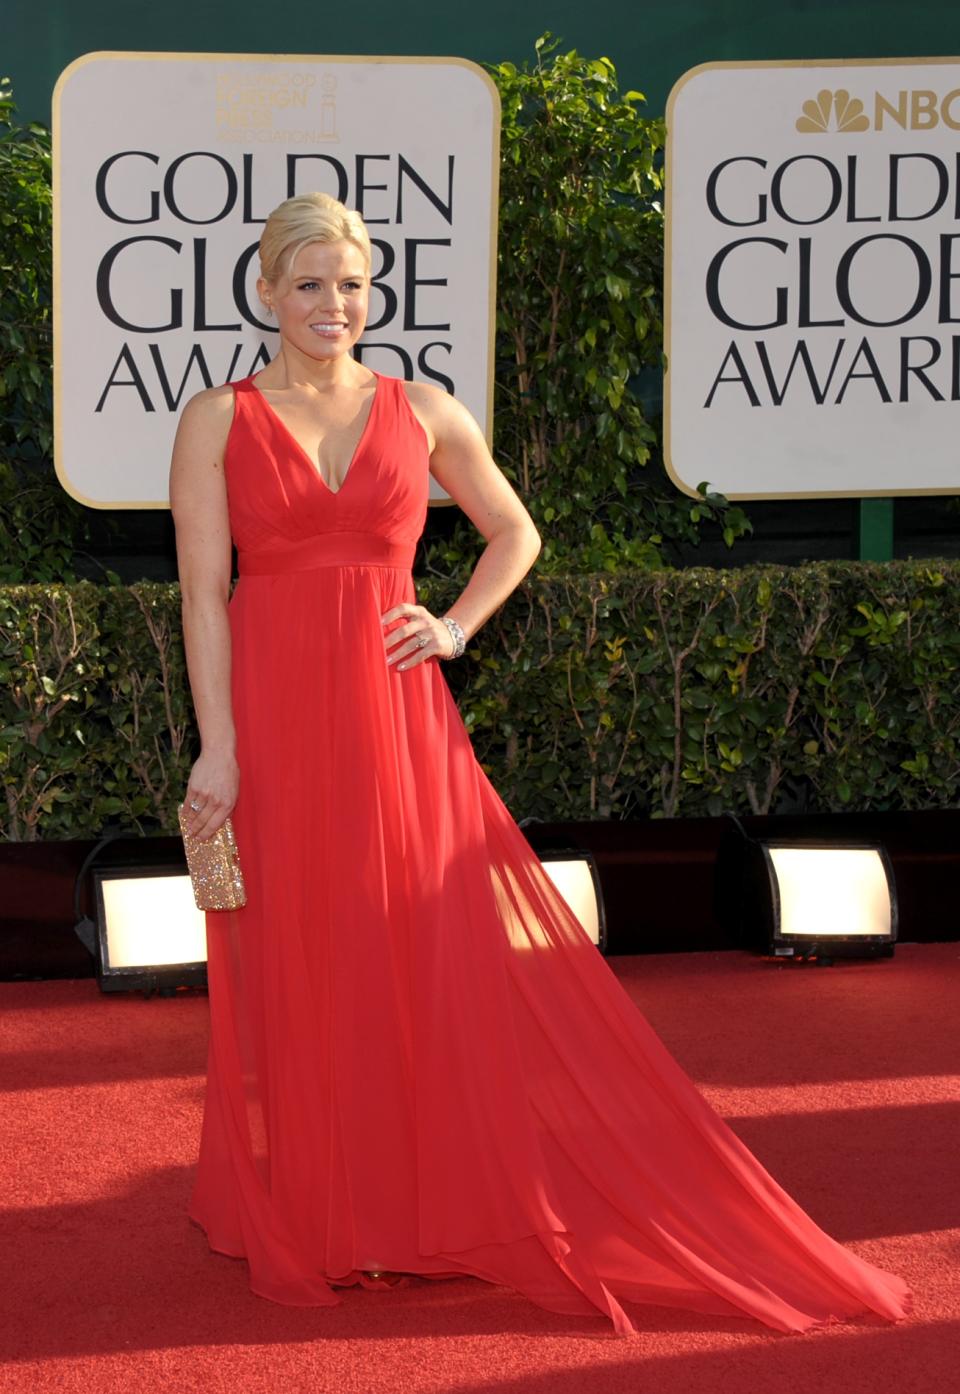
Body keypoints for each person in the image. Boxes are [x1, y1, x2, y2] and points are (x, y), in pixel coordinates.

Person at [169, 191, 912, 1338]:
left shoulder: (422, 410)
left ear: (375, 293)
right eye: (309, 283)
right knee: (294, 958)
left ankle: (402, 1208)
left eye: (352, 284)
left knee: (401, 952)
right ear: (266, 290)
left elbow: (516, 530)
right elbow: (203, 594)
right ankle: (321, 1210)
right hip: (270, 720)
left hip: (391, 718)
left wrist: (454, 626)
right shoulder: (219, 417)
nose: (333, 304)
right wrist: (217, 744)